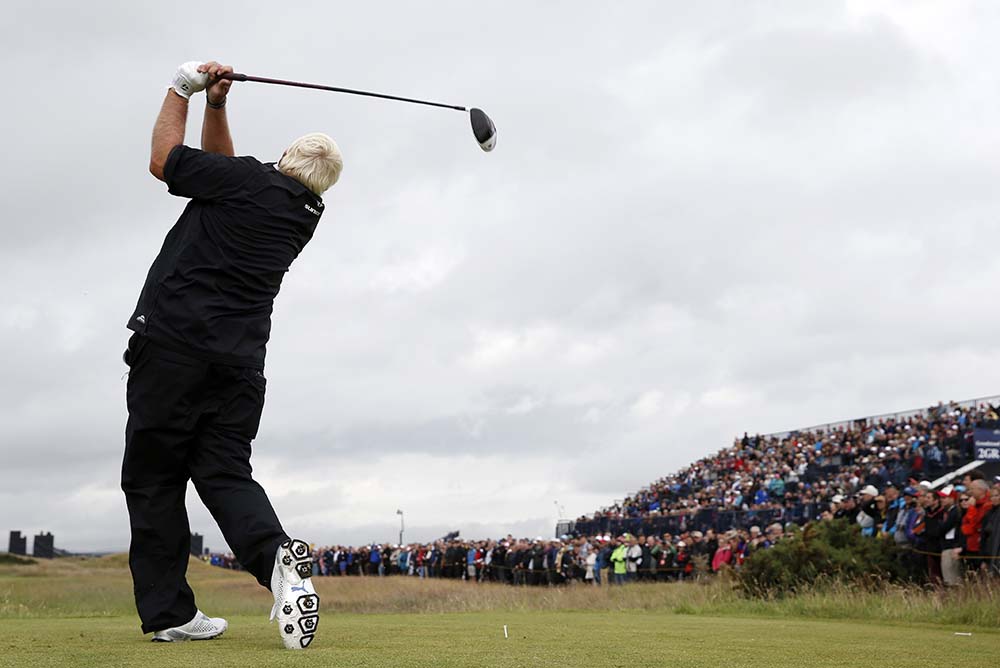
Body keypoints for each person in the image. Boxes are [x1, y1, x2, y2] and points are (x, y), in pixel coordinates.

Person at [121, 61, 342, 650]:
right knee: (223, 473)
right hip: (239, 368)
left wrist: (181, 88)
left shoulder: (247, 182)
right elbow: (222, 169)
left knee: (153, 481)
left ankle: (169, 612)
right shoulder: (306, 212)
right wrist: (218, 107)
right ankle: (277, 561)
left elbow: (164, 159)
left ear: (284, 159)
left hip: (172, 353)